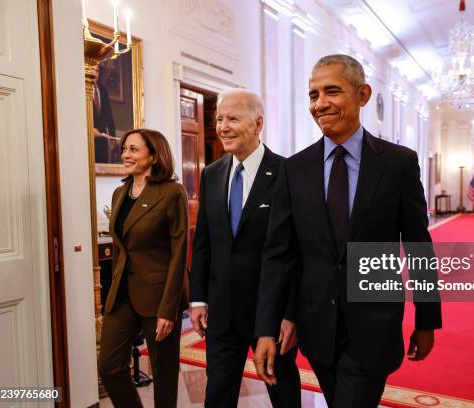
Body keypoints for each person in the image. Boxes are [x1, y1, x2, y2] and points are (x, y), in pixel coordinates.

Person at [253, 55, 442, 407]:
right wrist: (267, 326)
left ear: (363, 95)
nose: (320, 104)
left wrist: (427, 318)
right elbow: (279, 254)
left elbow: (418, 246)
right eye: (313, 95)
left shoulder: (398, 163)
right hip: (318, 327)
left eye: (332, 91)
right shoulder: (294, 170)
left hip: (374, 324)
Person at [189, 89, 301, 407]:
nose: (223, 126)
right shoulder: (211, 175)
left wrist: (291, 313)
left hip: (271, 315)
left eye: (233, 118)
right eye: (219, 119)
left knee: (284, 394)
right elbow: (204, 244)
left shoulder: (287, 173)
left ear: (258, 123)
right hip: (222, 313)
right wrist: (198, 299)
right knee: (218, 395)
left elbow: (296, 252)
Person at [98, 128, 189, 408]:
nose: (126, 154)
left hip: (158, 297)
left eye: (134, 149)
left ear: (153, 155)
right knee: (109, 367)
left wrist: (169, 308)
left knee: (164, 376)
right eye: (124, 148)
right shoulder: (119, 193)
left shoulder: (172, 192)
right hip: (122, 295)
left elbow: (179, 253)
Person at [93, 64, 118, 164]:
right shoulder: (80, 89)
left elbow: (109, 116)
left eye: (97, 71)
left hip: (102, 138)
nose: (95, 73)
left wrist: (112, 136)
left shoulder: (103, 90)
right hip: (87, 139)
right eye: (92, 70)